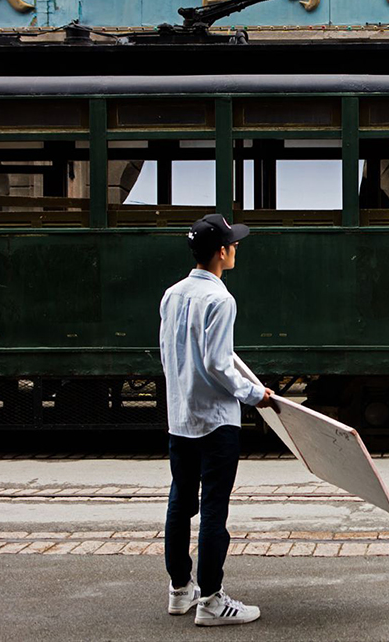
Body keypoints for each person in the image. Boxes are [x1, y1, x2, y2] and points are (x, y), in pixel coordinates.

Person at [159, 214, 274, 627]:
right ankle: (210, 600)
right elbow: (218, 364)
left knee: (180, 504)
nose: (236, 249)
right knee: (213, 513)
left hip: (181, 419)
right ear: (221, 252)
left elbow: (172, 356)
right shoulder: (221, 300)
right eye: (233, 244)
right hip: (216, 422)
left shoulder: (171, 295)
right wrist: (254, 395)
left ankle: (179, 590)